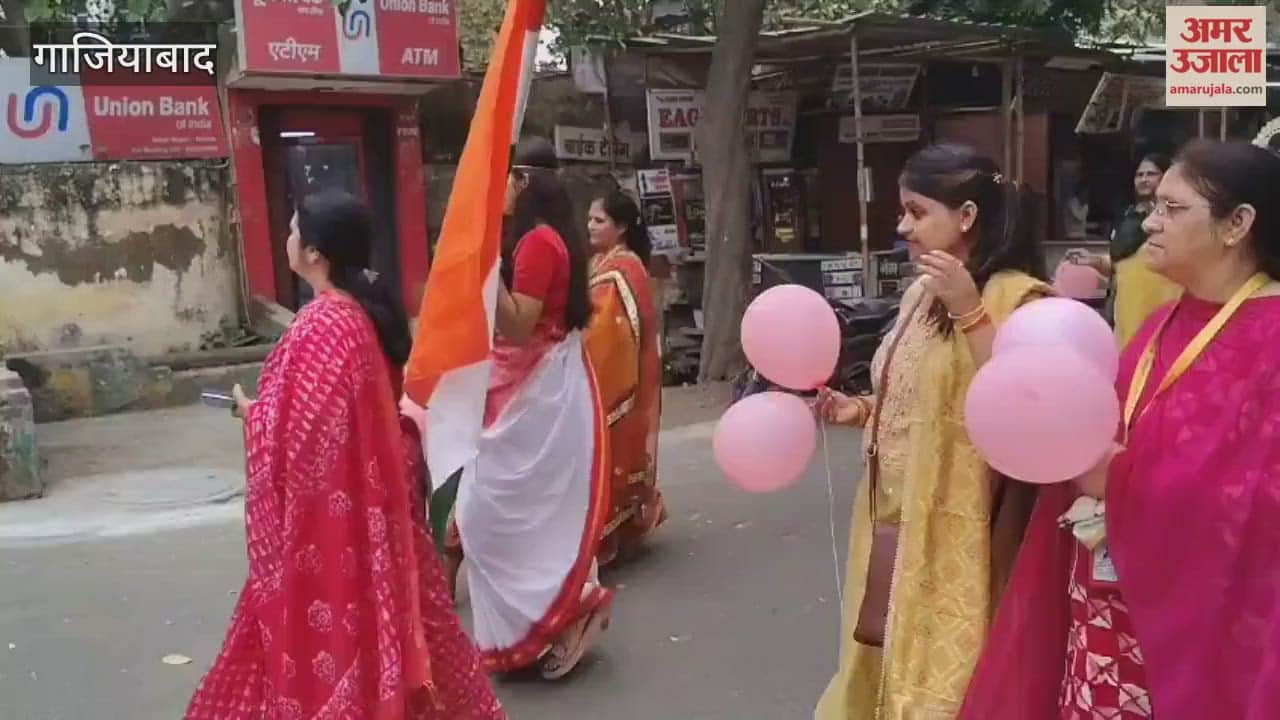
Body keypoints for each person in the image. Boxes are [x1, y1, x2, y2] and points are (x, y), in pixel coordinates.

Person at [960, 140, 1280, 720]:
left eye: (1174, 209)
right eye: (1154, 206)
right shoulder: (1164, 322)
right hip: (1106, 604)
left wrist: (1119, 477)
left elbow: (1258, 505)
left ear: (1238, 223)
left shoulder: (1271, 338)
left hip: (1203, 633)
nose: (1151, 222)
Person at [185, 189, 504, 719]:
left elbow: (308, 440)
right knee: (405, 625)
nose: (287, 240)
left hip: (341, 518)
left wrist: (253, 415)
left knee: (326, 637)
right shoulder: (362, 314)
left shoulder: (323, 323)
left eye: (292, 232)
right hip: (379, 500)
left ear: (316, 253)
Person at [813, 144, 1052, 720]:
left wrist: (971, 311)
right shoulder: (922, 292)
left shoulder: (1021, 299)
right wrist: (864, 409)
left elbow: (1030, 406)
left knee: (947, 665)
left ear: (966, 216)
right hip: (891, 508)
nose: (903, 228)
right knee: (883, 642)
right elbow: (928, 395)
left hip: (960, 520)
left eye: (917, 212)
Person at [443, 137, 612, 680]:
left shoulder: (537, 244)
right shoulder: (545, 237)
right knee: (518, 518)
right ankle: (551, 618)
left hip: (530, 391)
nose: (503, 190)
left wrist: (483, 268)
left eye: (509, 179)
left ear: (525, 181)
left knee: (490, 517)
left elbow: (518, 323)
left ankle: (567, 613)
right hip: (529, 387)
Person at [583, 190, 668, 566]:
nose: (590, 226)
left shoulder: (624, 268)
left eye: (598, 220)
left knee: (613, 446)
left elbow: (609, 329)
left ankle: (609, 535)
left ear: (619, 228)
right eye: (589, 219)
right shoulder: (603, 262)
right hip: (615, 367)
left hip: (619, 372)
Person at [1076, 153, 1181, 346]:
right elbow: (1122, 264)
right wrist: (1092, 261)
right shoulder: (1128, 217)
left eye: (1151, 174)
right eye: (1139, 175)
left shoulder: (1176, 220)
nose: (1144, 179)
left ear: (1167, 177)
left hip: (1163, 317)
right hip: (1126, 317)